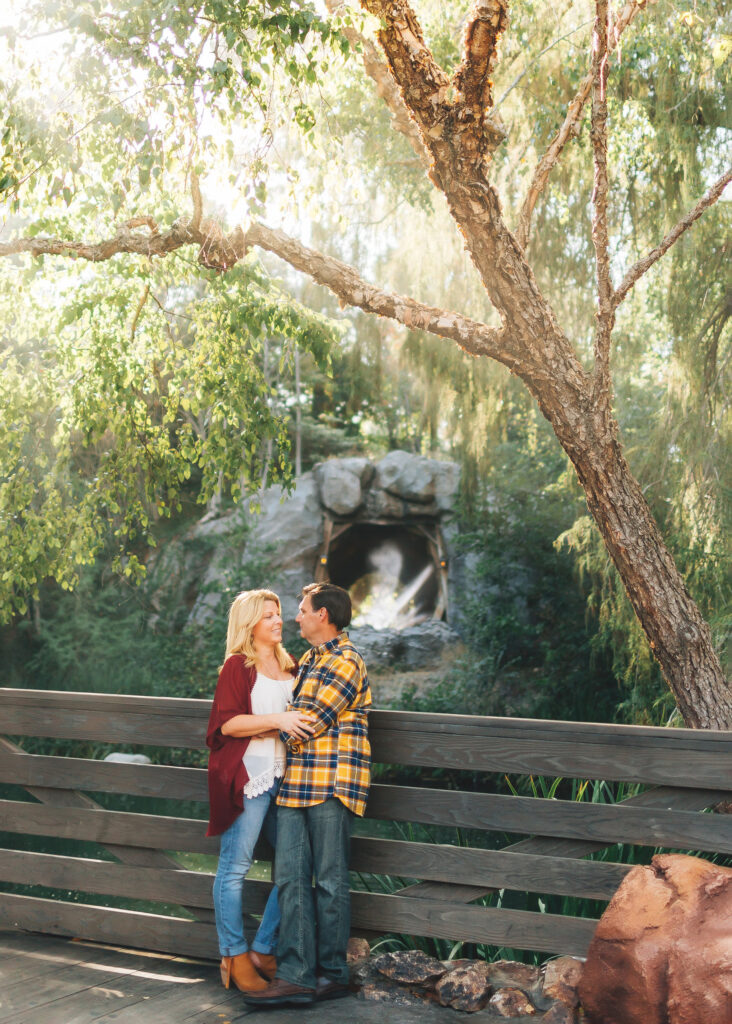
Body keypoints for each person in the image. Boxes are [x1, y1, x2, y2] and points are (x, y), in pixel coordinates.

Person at [241, 582, 371, 1008]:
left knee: (330, 882)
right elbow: (291, 719)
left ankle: (331, 974)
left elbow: (309, 722)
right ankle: (295, 976)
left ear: (324, 616)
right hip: (296, 784)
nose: (294, 617)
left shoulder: (347, 660)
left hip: (332, 783)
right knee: (290, 880)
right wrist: (278, 720)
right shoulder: (309, 661)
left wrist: (263, 723)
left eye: (302, 610)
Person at [205, 589, 314, 993]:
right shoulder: (238, 666)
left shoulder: (292, 664)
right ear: (250, 623)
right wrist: (278, 721)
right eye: (268, 615)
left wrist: (280, 724)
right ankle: (232, 954)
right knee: (234, 868)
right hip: (249, 778)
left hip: (287, 781)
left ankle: (264, 948)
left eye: (279, 613)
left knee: (299, 866)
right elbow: (227, 726)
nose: (278, 620)